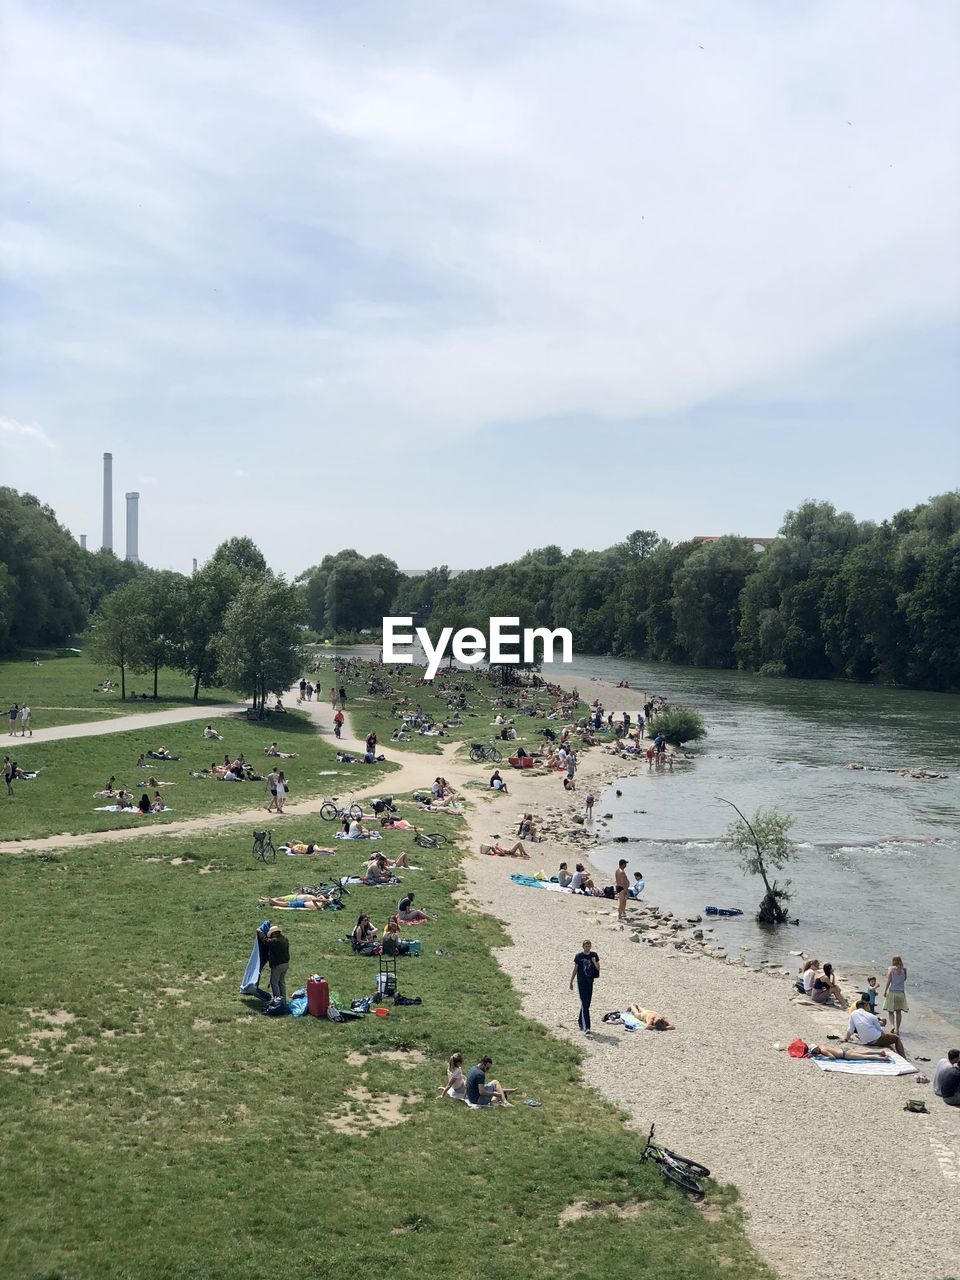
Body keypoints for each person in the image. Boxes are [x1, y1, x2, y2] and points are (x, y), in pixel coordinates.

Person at [844, 997, 908, 1059]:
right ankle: (904, 1058)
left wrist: (846, 1039)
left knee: (889, 1039)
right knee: (896, 1038)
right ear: (865, 1006)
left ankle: (896, 1052)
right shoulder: (872, 1016)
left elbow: (850, 1029)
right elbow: (880, 1030)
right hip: (875, 1039)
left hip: (865, 1041)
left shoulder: (853, 1014)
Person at [570, 940, 600, 1034]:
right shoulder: (579, 956)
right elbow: (575, 969)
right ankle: (586, 1026)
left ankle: (580, 1020)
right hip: (581, 982)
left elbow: (598, 968)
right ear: (583, 947)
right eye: (586, 946)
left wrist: (594, 962)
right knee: (585, 1004)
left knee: (586, 1004)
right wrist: (571, 981)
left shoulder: (594, 955)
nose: (588, 947)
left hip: (590, 982)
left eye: (589, 946)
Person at [883, 955, 909, 1035]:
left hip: (892, 992)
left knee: (890, 1011)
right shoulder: (904, 970)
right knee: (898, 1012)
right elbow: (904, 979)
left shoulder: (891, 969)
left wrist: (885, 991)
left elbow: (889, 981)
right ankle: (897, 1029)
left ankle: (892, 1026)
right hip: (901, 993)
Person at [266, 926, 289, 1002]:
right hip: (285, 964)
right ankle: (283, 999)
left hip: (278, 965)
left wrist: (259, 932)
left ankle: (277, 1000)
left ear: (275, 933)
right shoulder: (285, 939)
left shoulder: (275, 941)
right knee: (281, 982)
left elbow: (265, 941)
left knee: (274, 982)